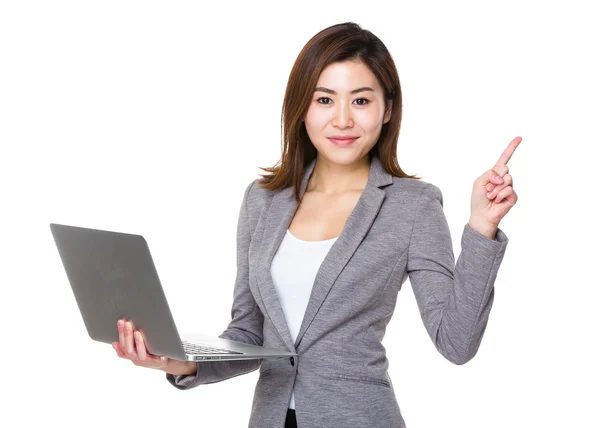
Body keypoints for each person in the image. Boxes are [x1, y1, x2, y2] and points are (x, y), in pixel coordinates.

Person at [112, 22, 520, 428]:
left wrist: (481, 228)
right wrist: (181, 361)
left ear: (387, 109)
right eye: (325, 99)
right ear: (302, 108)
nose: (342, 120)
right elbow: (249, 335)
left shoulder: (412, 205)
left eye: (360, 101)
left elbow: (456, 342)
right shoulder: (263, 199)